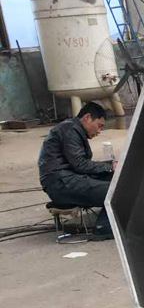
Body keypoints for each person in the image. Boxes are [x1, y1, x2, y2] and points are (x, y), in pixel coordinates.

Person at [38, 101, 116, 240]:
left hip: (67, 179)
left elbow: (80, 164)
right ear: (87, 117)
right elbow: (80, 165)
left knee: (118, 179)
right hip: (61, 184)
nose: (99, 131)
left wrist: (110, 167)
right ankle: (103, 227)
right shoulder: (69, 130)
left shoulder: (72, 129)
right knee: (116, 190)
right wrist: (109, 167)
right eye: (99, 125)